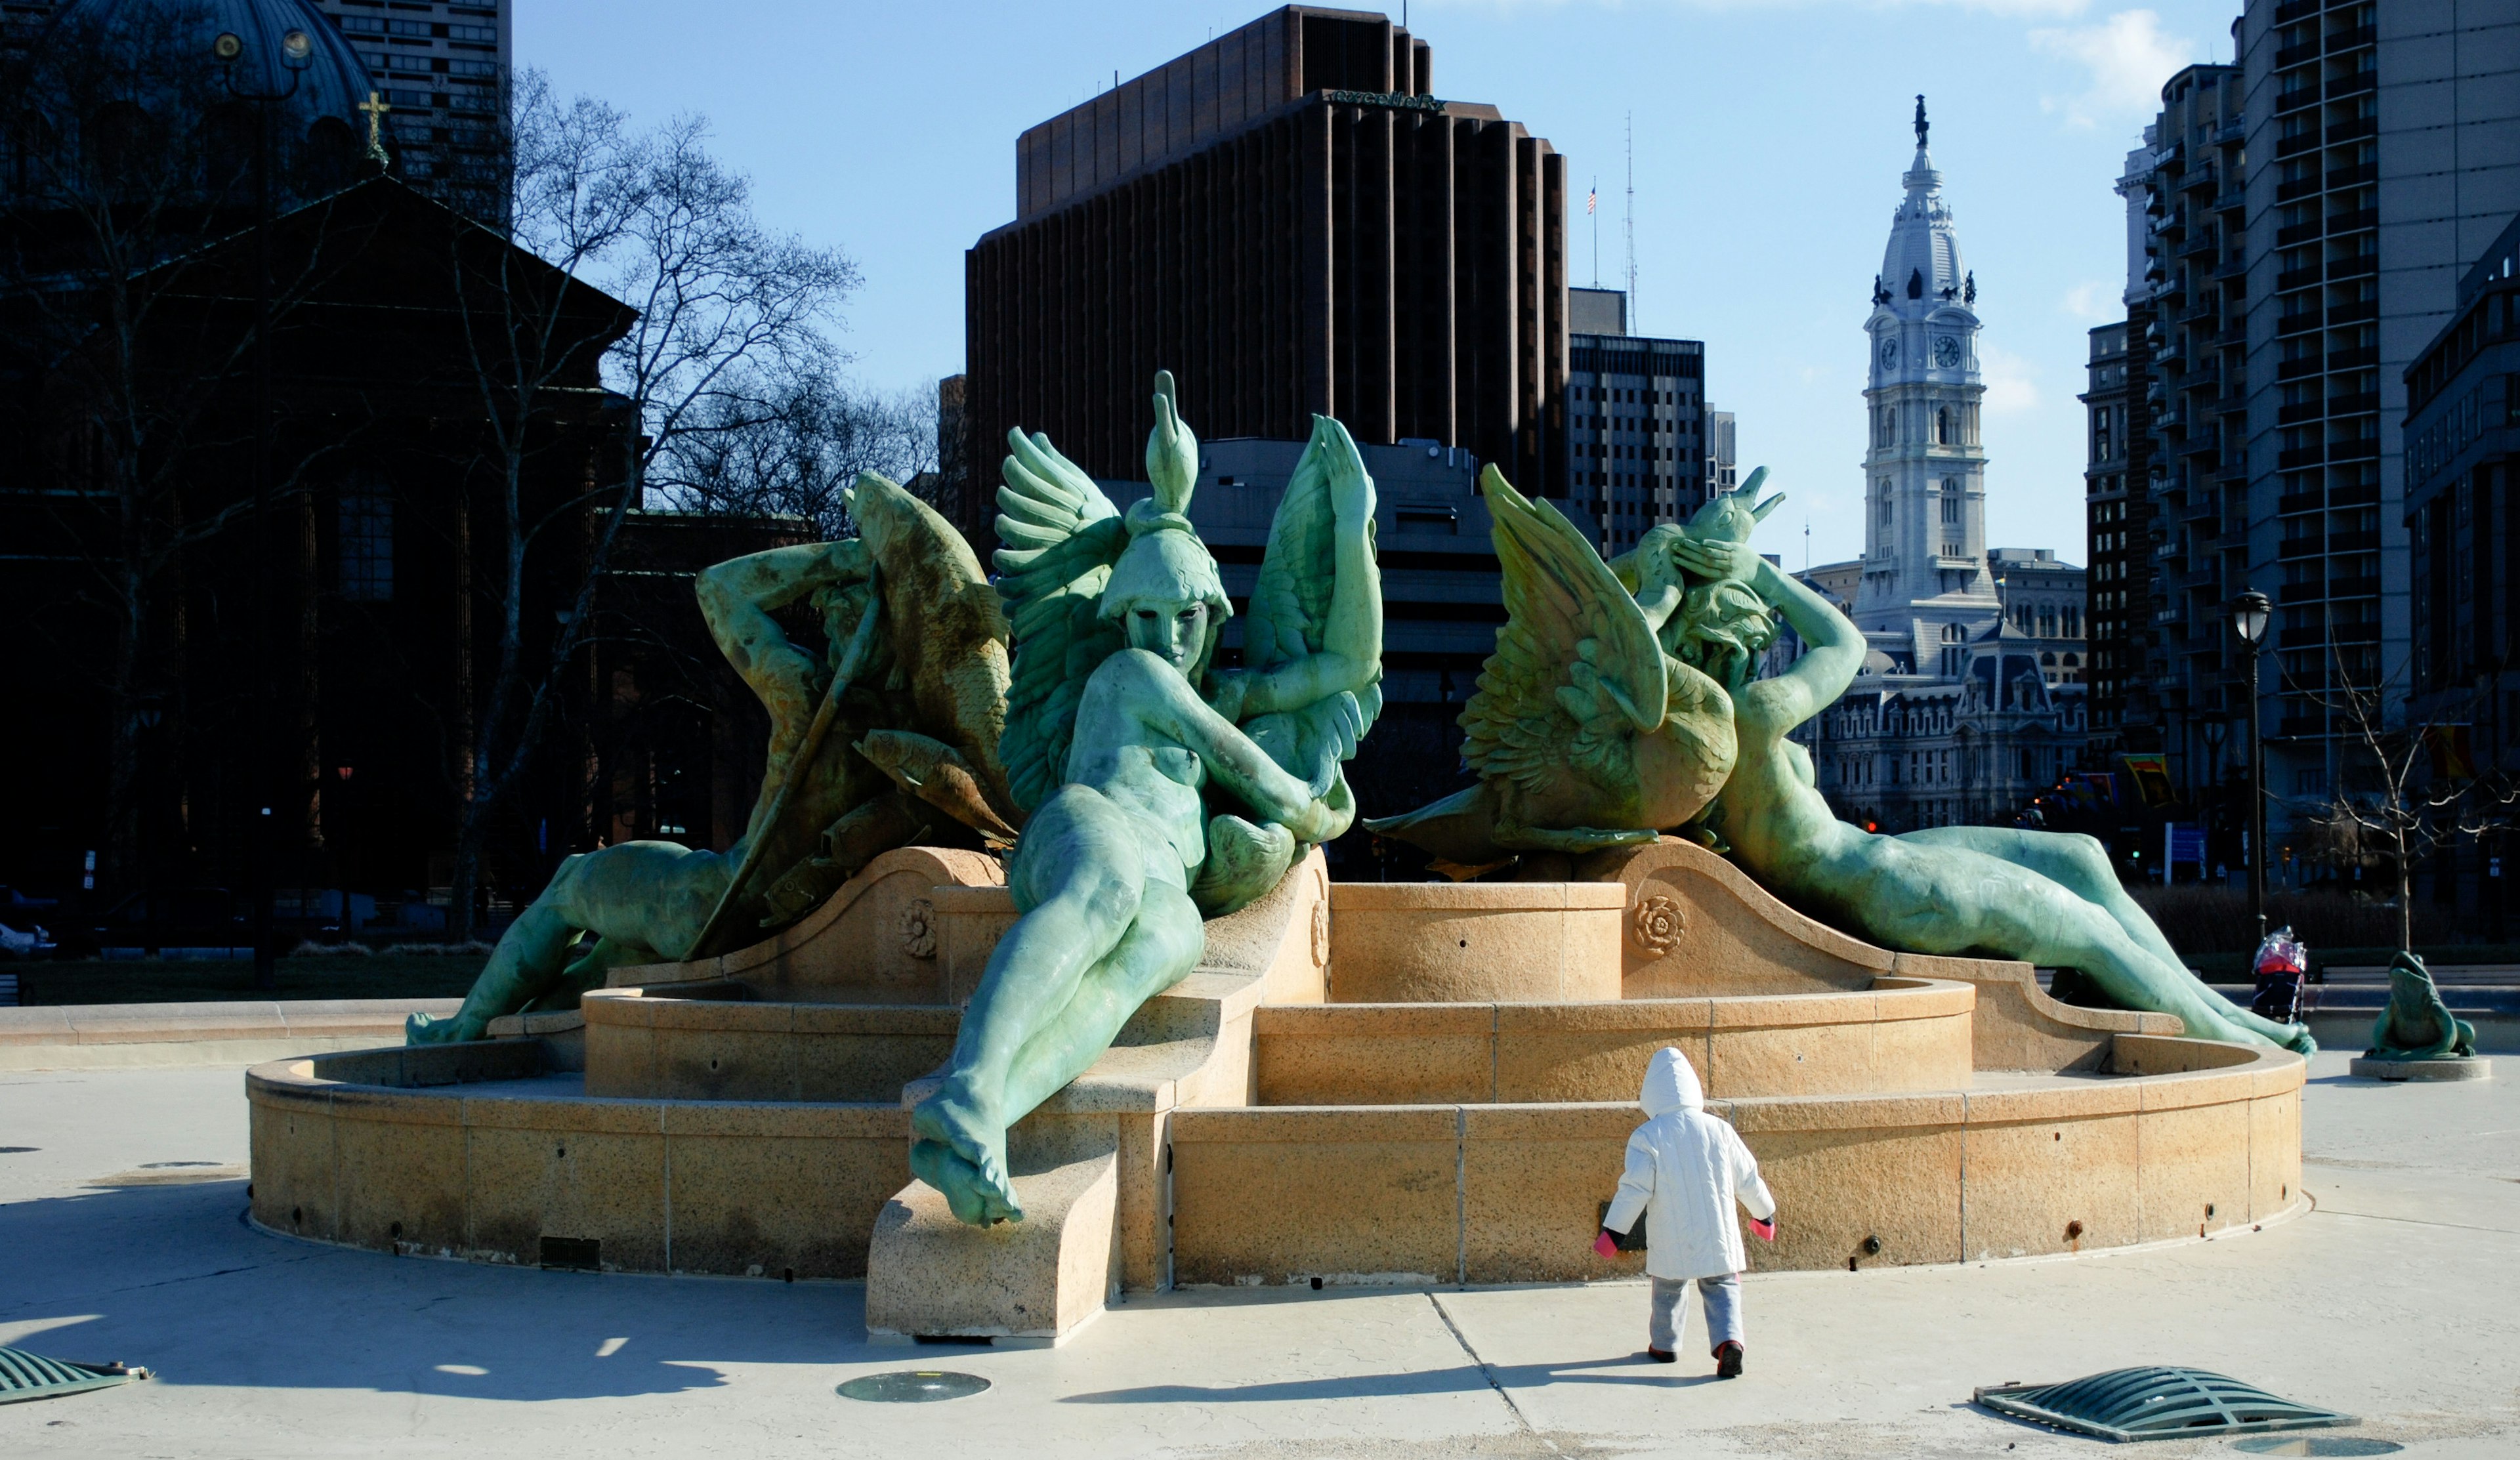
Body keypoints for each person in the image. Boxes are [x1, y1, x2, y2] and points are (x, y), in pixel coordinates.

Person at [1667, 529, 2315, 1054]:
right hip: (1895, 890)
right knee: (2089, 930)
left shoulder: (1682, 736)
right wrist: (1766, 572)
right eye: (1754, 634)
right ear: (1728, 642)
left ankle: (2216, 1005)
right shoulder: (1752, 712)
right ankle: (2247, 1038)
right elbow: (1847, 641)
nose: (1761, 647)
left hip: (1880, 860)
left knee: (2081, 856)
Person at [1597, 1047, 1776, 1377]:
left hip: (1671, 1234)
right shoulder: (1720, 1129)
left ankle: (1665, 1345)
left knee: (1668, 1288)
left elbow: (1635, 1189)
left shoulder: (1646, 1136)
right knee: (1723, 1286)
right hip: (1717, 1233)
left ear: (1650, 1095)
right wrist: (1764, 1214)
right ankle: (1729, 1343)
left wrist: (1613, 1234)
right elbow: (1747, 1178)